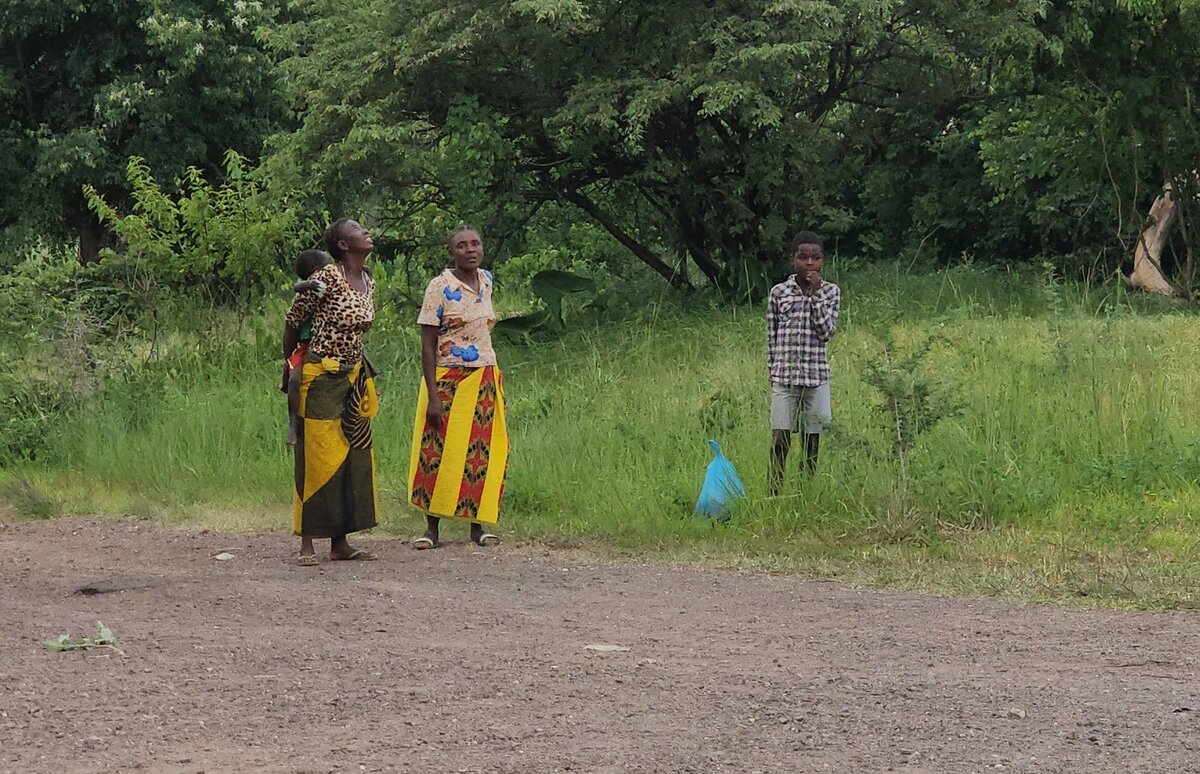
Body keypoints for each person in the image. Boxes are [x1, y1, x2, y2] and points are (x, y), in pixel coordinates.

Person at [282, 219, 380, 566]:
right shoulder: (326, 277)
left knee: (351, 458)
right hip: (321, 376)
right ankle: (307, 542)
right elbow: (293, 320)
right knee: (316, 457)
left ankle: (340, 543)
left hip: (352, 377)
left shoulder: (367, 279)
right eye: (357, 228)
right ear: (342, 244)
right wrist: (290, 364)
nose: (365, 231)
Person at [408, 226, 508, 549]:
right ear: (452, 252)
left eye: (475, 244)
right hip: (447, 378)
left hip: (484, 377)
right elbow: (427, 345)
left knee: (479, 453)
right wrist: (433, 395)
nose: (470, 250)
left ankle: (477, 526)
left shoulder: (486, 281)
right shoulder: (440, 287)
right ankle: (431, 528)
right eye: (462, 246)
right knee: (435, 451)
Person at [766, 230, 841, 494]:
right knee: (780, 439)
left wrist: (816, 294)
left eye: (815, 258)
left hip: (816, 379)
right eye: (803, 257)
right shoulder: (779, 293)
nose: (809, 263)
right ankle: (773, 494)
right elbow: (771, 335)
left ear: (823, 260)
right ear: (792, 260)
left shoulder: (831, 292)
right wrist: (772, 370)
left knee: (812, 442)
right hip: (784, 379)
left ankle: (804, 493)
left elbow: (826, 332)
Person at [282, 249, 332, 447]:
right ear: (315, 269)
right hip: (306, 344)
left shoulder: (334, 288)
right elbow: (297, 287)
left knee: (359, 355)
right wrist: (309, 284)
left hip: (330, 342)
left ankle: (370, 385)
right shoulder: (308, 290)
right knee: (295, 378)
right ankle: (293, 424)